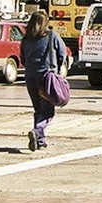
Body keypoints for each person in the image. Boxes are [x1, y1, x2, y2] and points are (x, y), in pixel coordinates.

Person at [19, 9, 68, 151]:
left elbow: (23, 59)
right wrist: (58, 69)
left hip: (30, 77)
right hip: (46, 78)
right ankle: (37, 131)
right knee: (48, 111)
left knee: (38, 109)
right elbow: (62, 54)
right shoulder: (52, 36)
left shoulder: (26, 40)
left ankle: (40, 141)